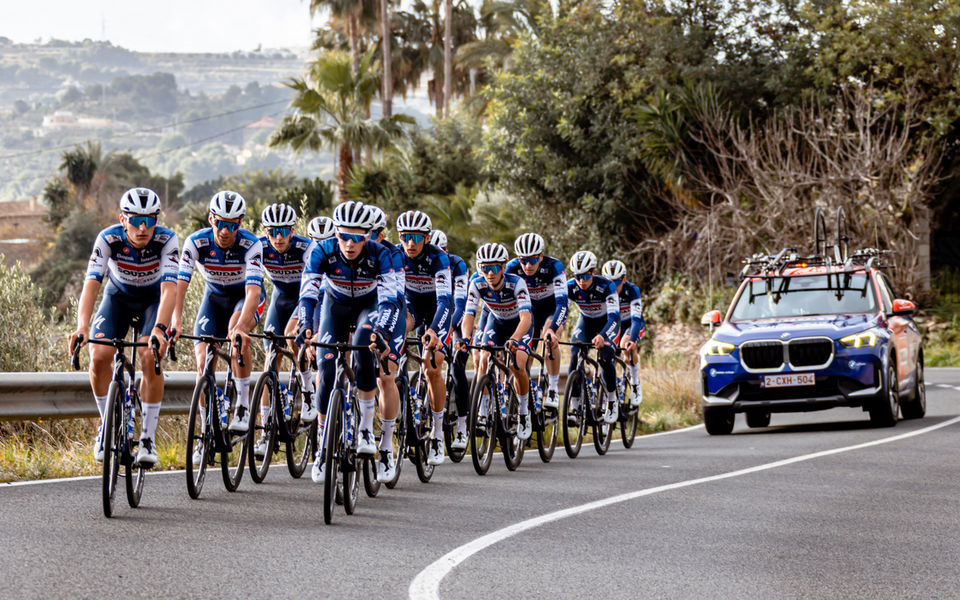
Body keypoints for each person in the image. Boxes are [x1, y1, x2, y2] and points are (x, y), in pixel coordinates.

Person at [69, 188, 178, 467]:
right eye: (135, 220)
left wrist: (160, 328)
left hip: (152, 302)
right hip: (117, 299)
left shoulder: (167, 240)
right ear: (122, 219)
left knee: (148, 355)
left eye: (150, 221)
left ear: (157, 220)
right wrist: (82, 325)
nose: (143, 228)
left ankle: (147, 438)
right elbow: (92, 283)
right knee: (99, 355)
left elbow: (168, 290)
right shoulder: (108, 239)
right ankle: (106, 425)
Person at [298, 201, 401, 484]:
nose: (349, 243)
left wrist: (382, 333)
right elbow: (307, 293)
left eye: (356, 237)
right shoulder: (323, 251)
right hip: (335, 306)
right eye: (343, 236)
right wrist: (306, 325)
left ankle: (367, 428)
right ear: (336, 234)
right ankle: (321, 447)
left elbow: (391, 301)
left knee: (363, 342)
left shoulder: (381, 254)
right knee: (326, 368)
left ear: (367, 235)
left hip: (370, 306)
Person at [172, 191, 264, 446]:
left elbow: (253, 291)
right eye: (220, 223)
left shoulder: (251, 244)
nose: (225, 231)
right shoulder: (196, 242)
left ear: (240, 224)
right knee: (202, 364)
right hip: (213, 299)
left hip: (243, 299)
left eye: (232, 225)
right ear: (211, 219)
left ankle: (244, 403)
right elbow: (180, 283)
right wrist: (176, 320)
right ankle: (204, 431)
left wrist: (242, 327)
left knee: (237, 336)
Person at [252, 203, 316, 458]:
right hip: (280, 299)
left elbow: (315, 285)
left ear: (292, 230)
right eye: (272, 231)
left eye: (284, 231)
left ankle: (308, 389)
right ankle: (265, 432)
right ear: (266, 231)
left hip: (303, 299)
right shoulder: (260, 247)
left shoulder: (305, 248)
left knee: (291, 336)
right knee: (270, 358)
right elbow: (253, 282)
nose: (278, 237)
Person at [458, 243, 534, 440]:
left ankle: (524, 413)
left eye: (494, 268)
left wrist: (515, 339)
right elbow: (468, 315)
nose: (489, 273)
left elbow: (526, 318)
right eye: (485, 268)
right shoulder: (477, 283)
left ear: (503, 267)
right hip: (497, 322)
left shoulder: (517, 283)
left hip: (519, 325)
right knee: (483, 358)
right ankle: (483, 413)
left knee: (517, 365)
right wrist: (466, 338)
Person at [395, 210, 453, 466]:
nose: (410, 243)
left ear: (427, 238)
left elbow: (446, 301)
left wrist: (435, 331)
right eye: (406, 236)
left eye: (416, 237)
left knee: (431, 368)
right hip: (413, 306)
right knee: (397, 329)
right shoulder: (395, 255)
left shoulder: (439, 259)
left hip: (438, 310)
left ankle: (438, 433)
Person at [366, 206, 406, 480]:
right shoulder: (344, 250)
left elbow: (394, 299)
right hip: (355, 310)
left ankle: (386, 447)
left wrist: (383, 334)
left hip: (389, 312)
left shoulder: (392, 255)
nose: (370, 238)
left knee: (384, 375)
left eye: (375, 233)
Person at [505, 233, 568, 409]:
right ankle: (524, 396)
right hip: (529, 312)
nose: (528, 265)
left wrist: (554, 328)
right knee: (524, 355)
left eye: (532, 260)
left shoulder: (554, 266)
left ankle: (553, 388)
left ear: (540, 256)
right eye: (523, 260)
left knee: (550, 340)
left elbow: (562, 303)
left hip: (552, 310)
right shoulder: (511, 267)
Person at [428, 229, 471, 450]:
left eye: (442, 252)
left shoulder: (457, 265)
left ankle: (462, 428)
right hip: (432, 315)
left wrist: (451, 333)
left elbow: (461, 304)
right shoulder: (425, 262)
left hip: (454, 315)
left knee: (457, 368)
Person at [566, 250, 620, 425]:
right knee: (575, 354)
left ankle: (612, 401)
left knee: (605, 359)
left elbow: (614, 318)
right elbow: (561, 309)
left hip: (607, 324)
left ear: (593, 273)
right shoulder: (570, 286)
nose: (581, 281)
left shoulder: (607, 286)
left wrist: (603, 336)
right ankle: (575, 406)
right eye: (577, 276)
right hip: (586, 321)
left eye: (586, 276)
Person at [601, 259, 645, 406]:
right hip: (614, 325)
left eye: (617, 283)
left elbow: (636, 319)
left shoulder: (632, 290)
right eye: (610, 282)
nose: (613, 287)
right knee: (607, 355)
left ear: (624, 279)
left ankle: (635, 383)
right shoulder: (602, 289)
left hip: (632, 324)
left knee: (626, 345)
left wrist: (632, 339)